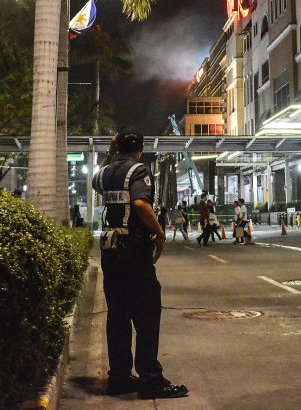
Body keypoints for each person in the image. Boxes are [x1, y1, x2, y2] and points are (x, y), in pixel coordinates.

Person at [93, 129, 188, 399]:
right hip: (134, 251)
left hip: (110, 252)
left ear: (116, 147)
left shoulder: (105, 172)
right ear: (141, 148)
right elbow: (140, 204)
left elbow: (95, 182)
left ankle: (120, 377)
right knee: (146, 315)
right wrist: (159, 233)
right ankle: (150, 379)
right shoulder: (138, 170)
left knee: (118, 316)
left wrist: (110, 155)